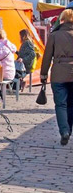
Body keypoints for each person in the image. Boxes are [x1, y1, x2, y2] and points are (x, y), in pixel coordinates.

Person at [41, 9, 73, 145]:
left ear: (62, 20)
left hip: (58, 73)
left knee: (60, 104)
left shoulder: (55, 35)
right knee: (71, 104)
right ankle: (68, 130)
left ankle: (64, 131)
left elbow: (47, 56)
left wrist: (43, 74)